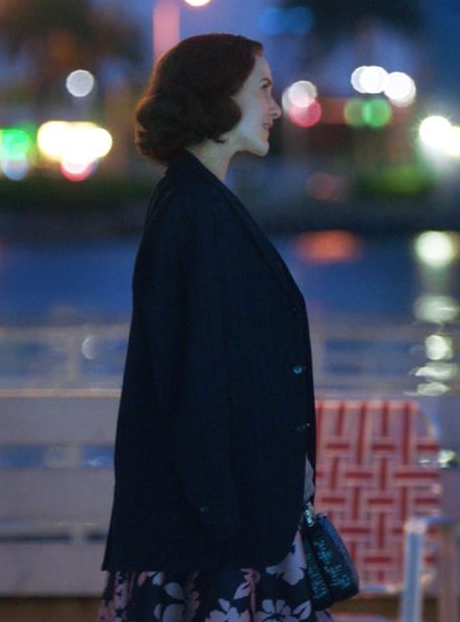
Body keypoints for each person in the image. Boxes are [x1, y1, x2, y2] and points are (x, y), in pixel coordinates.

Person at [98, 33, 332, 622]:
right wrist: (227, 523)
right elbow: (191, 374)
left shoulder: (199, 202)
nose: (276, 107)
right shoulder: (191, 212)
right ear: (216, 100)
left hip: (228, 526)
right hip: (214, 540)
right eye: (263, 89)